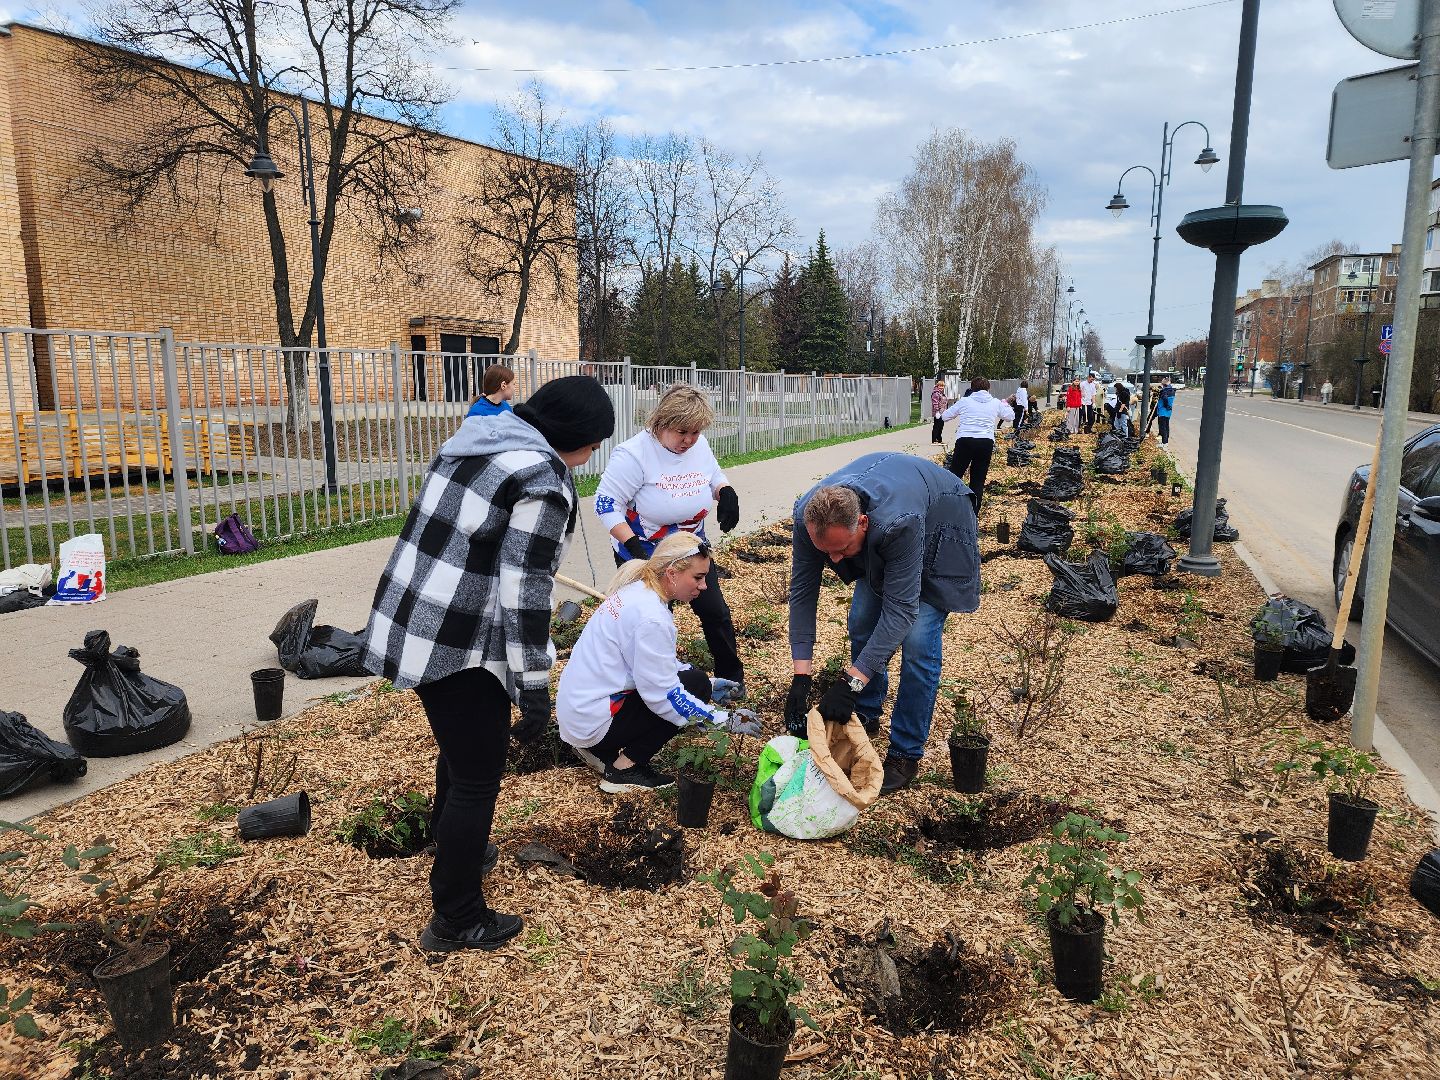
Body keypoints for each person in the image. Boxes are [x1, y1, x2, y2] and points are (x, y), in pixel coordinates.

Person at [362, 375, 615, 954]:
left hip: (413, 620)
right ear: (575, 435)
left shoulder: (479, 438)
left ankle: (454, 846)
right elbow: (525, 591)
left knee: (461, 749)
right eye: (594, 441)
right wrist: (534, 686)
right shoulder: (542, 480)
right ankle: (457, 917)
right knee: (478, 778)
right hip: (458, 639)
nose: (595, 451)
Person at [785, 454, 981, 794]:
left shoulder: (897, 523)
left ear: (862, 523)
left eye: (841, 549)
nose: (834, 560)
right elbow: (803, 592)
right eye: (825, 551)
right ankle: (866, 712)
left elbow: (901, 609)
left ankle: (906, 752)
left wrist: (851, 682)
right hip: (892, 513)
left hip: (942, 519)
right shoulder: (808, 519)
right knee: (862, 619)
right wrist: (801, 677)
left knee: (918, 640)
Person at [557, 533, 762, 792]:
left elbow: (651, 664)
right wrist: (721, 719)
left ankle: (598, 749)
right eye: (698, 577)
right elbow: (663, 696)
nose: (704, 586)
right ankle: (624, 770)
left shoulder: (638, 590)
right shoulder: (651, 617)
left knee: (698, 682)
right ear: (672, 573)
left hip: (579, 711)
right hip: (592, 721)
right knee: (693, 687)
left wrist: (710, 685)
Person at [594, 385, 745, 703]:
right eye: (682, 432)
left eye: (696, 432)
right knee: (650, 621)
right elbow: (606, 504)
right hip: (645, 548)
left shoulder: (699, 446)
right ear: (661, 423)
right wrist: (632, 546)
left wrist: (726, 492)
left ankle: (731, 679)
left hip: (691, 545)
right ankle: (647, 689)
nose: (689, 440)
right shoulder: (634, 454)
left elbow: (713, 475)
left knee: (714, 611)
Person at [938, 376, 1010, 514]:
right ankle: (973, 514)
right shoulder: (995, 403)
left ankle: (946, 508)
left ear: (972, 388)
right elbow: (1010, 416)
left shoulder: (965, 401)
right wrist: (1005, 403)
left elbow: (945, 416)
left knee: (955, 475)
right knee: (978, 480)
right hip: (985, 442)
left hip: (965, 440)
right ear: (988, 388)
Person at [1150, 377, 1176, 445]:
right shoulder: (1172, 390)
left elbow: (1165, 399)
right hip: (1168, 412)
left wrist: (1166, 405)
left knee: (1163, 427)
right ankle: (1166, 441)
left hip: (1163, 411)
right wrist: (1168, 406)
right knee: (1166, 426)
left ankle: (1164, 443)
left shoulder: (1164, 391)